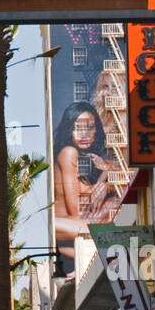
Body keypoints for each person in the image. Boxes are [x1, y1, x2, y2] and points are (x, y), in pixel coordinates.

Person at [53, 102, 118, 273]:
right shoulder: (68, 153)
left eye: (89, 127)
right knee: (107, 228)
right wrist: (104, 180)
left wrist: (104, 178)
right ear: (69, 130)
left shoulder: (89, 160)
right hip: (63, 225)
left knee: (113, 204)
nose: (84, 134)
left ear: (96, 130)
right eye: (78, 128)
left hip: (74, 234)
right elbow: (75, 210)